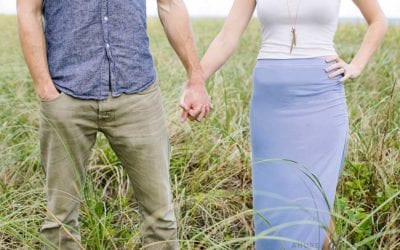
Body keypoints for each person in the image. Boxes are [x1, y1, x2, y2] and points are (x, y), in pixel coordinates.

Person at [17, 0, 211, 249]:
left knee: (160, 218)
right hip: (67, 94)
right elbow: (28, 10)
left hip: (137, 93)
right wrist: (45, 89)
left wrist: (195, 78)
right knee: (60, 221)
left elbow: (170, 5)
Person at [196, 0, 387, 249]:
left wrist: (356, 65)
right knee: (274, 197)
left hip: (321, 97)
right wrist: (196, 82)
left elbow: (378, 20)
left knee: (316, 196)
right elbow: (227, 37)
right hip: (270, 103)